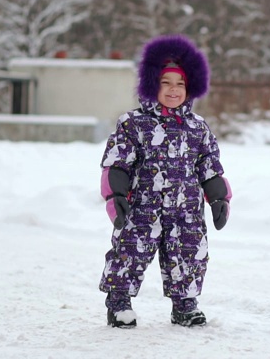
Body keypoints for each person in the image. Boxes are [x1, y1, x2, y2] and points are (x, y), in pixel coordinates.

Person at [98, 34, 232, 329]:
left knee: (189, 255)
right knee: (129, 253)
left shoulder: (198, 127)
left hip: (186, 212)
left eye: (180, 84)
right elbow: (117, 162)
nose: (173, 90)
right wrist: (116, 194)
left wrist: (219, 197)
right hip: (142, 209)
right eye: (165, 82)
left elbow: (209, 165)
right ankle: (119, 302)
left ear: (190, 87)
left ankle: (185, 305)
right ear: (151, 84)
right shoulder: (133, 123)